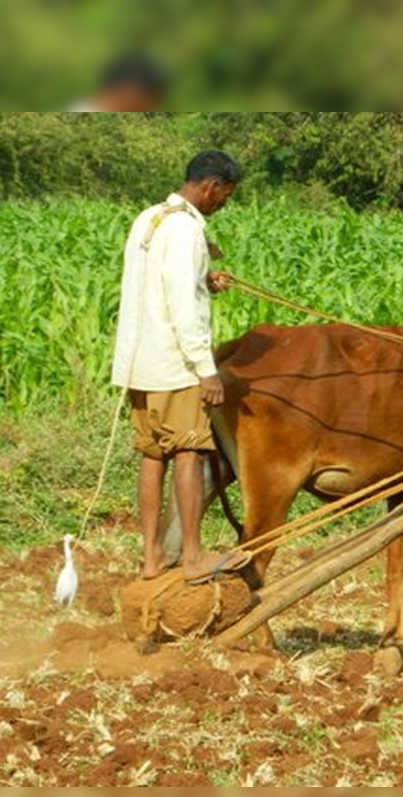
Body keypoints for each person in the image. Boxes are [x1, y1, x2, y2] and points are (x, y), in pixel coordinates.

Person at [112, 149, 247, 582]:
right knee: (189, 451)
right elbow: (183, 306)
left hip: (140, 362)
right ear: (211, 188)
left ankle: (152, 557)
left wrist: (206, 278)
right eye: (224, 196)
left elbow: (163, 281)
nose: (223, 204)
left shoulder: (149, 218)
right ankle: (192, 557)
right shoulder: (186, 230)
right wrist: (205, 368)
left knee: (153, 456)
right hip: (174, 363)